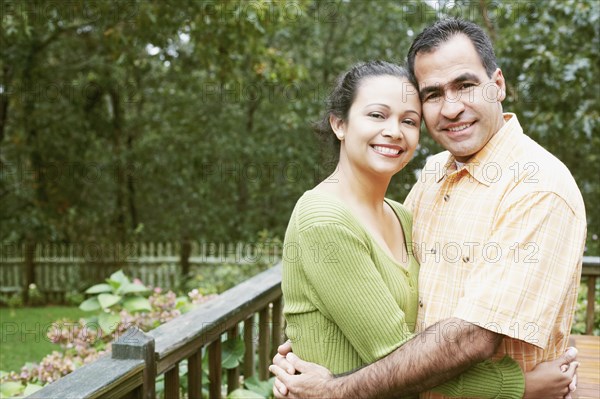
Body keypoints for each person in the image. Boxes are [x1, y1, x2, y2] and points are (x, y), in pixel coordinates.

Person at [270, 19, 586, 399]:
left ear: (498, 85)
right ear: (339, 124)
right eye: (433, 94)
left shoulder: (538, 187)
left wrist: (334, 389)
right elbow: (384, 322)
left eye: (465, 85)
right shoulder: (433, 176)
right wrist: (310, 341)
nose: (451, 108)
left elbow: (474, 336)